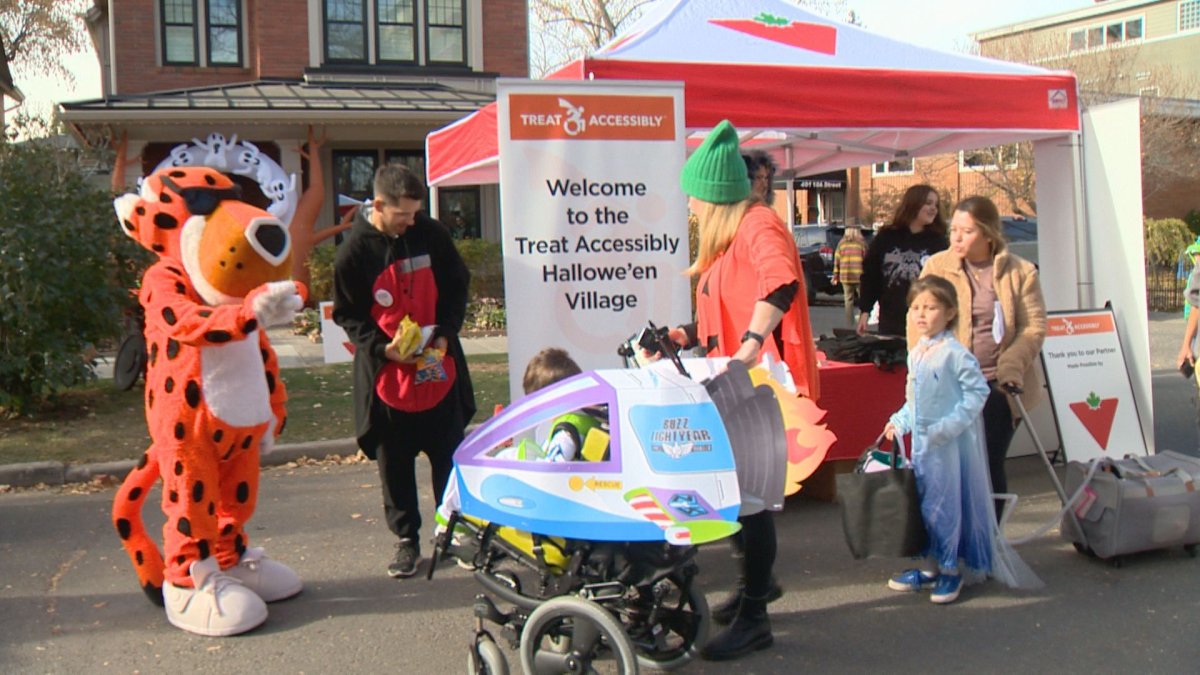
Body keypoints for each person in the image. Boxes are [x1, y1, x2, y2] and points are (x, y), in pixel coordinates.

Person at [669, 120, 820, 661]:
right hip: (735, 384)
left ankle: (756, 615)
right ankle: (757, 587)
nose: (689, 208)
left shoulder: (759, 224)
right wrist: (683, 334)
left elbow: (780, 282)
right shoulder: (727, 239)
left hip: (760, 387)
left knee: (750, 504)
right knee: (737, 500)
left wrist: (754, 340)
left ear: (714, 196)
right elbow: (718, 309)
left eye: (694, 198)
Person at [333, 163, 476, 579]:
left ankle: (452, 533)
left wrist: (447, 333)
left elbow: (457, 284)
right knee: (393, 462)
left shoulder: (430, 235)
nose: (411, 221)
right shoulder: (353, 253)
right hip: (387, 378)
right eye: (403, 215)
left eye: (415, 213)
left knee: (448, 455)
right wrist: (383, 349)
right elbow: (348, 314)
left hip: (437, 369)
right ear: (378, 205)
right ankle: (406, 541)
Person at [884, 276, 1038, 604]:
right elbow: (915, 398)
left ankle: (951, 569)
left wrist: (948, 427)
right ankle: (929, 565)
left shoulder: (955, 354)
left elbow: (977, 393)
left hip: (949, 447)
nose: (921, 314)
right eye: (915, 307)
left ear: (951, 312)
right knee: (923, 504)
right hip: (924, 446)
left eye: (931, 307)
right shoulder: (918, 353)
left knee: (945, 505)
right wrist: (900, 422)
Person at [916, 195, 1046, 516]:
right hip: (950, 386)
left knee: (988, 465)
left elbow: (1033, 328)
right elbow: (916, 322)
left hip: (997, 387)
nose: (956, 237)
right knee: (951, 467)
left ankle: (990, 544)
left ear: (987, 234)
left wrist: (1011, 366)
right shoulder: (936, 267)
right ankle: (956, 542)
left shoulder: (1020, 272)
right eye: (953, 229)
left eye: (966, 231)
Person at [857, 185, 949, 336]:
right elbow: (870, 276)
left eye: (936, 205)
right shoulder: (887, 237)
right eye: (928, 203)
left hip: (927, 323)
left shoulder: (938, 242)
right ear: (914, 203)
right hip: (891, 320)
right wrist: (865, 310)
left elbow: (946, 283)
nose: (933, 208)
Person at [832, 225, 866, 327]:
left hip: (845, 276)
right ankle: (861, 322)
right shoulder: (861, 244)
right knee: (862, 300)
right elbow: (867, 260)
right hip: (860, 275)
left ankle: (849, 325)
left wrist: (835, 275)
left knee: (848, 300)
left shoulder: (841, 244)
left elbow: (836, 260)